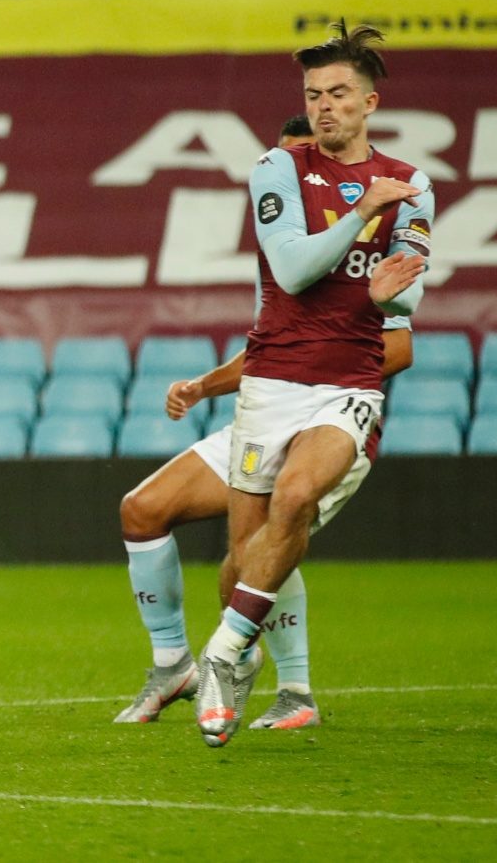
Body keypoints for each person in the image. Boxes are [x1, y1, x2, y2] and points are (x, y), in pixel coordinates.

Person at [114, 115, 415, 731]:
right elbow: (276, 344)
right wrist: (205, 385)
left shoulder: (365, 237)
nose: (287, 179)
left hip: (330, 413)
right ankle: (173, 663)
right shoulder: (286, 244)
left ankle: (294, 689)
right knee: (142, 510)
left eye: (300, 163)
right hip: (266, 406)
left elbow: (401, 346)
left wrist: (328, 366)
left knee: (265, 540)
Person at [194, 22, 432, 746]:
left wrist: (391, 295)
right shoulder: (277, 167)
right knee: (244, 557)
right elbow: (294, 269)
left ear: (368, 103)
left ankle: (222, 653)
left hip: (348, 382)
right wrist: (363, 214)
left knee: (296, 497)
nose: (324, 106)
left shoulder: (411, 183)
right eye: (312, 94)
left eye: (337, 94)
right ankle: (258, 667)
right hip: (272, 379)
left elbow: (408, 299)